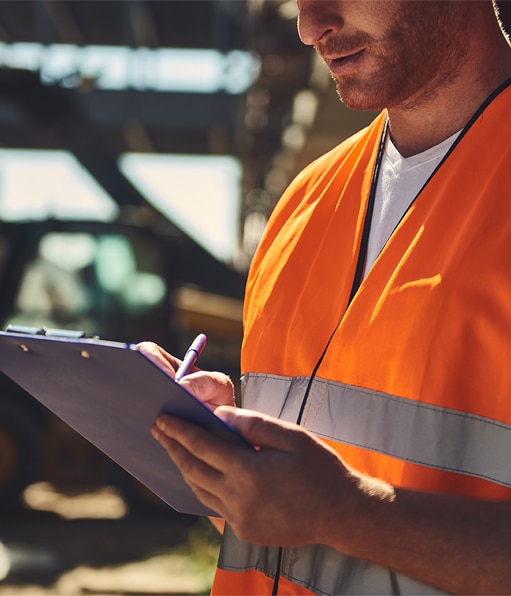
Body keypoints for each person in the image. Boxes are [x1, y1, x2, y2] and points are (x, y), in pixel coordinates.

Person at [142, 1, 511, 593]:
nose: (311, 26)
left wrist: (346, 514)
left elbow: (332, 513)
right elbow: (287, 535)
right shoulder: (303, 203)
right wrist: (226, 461)